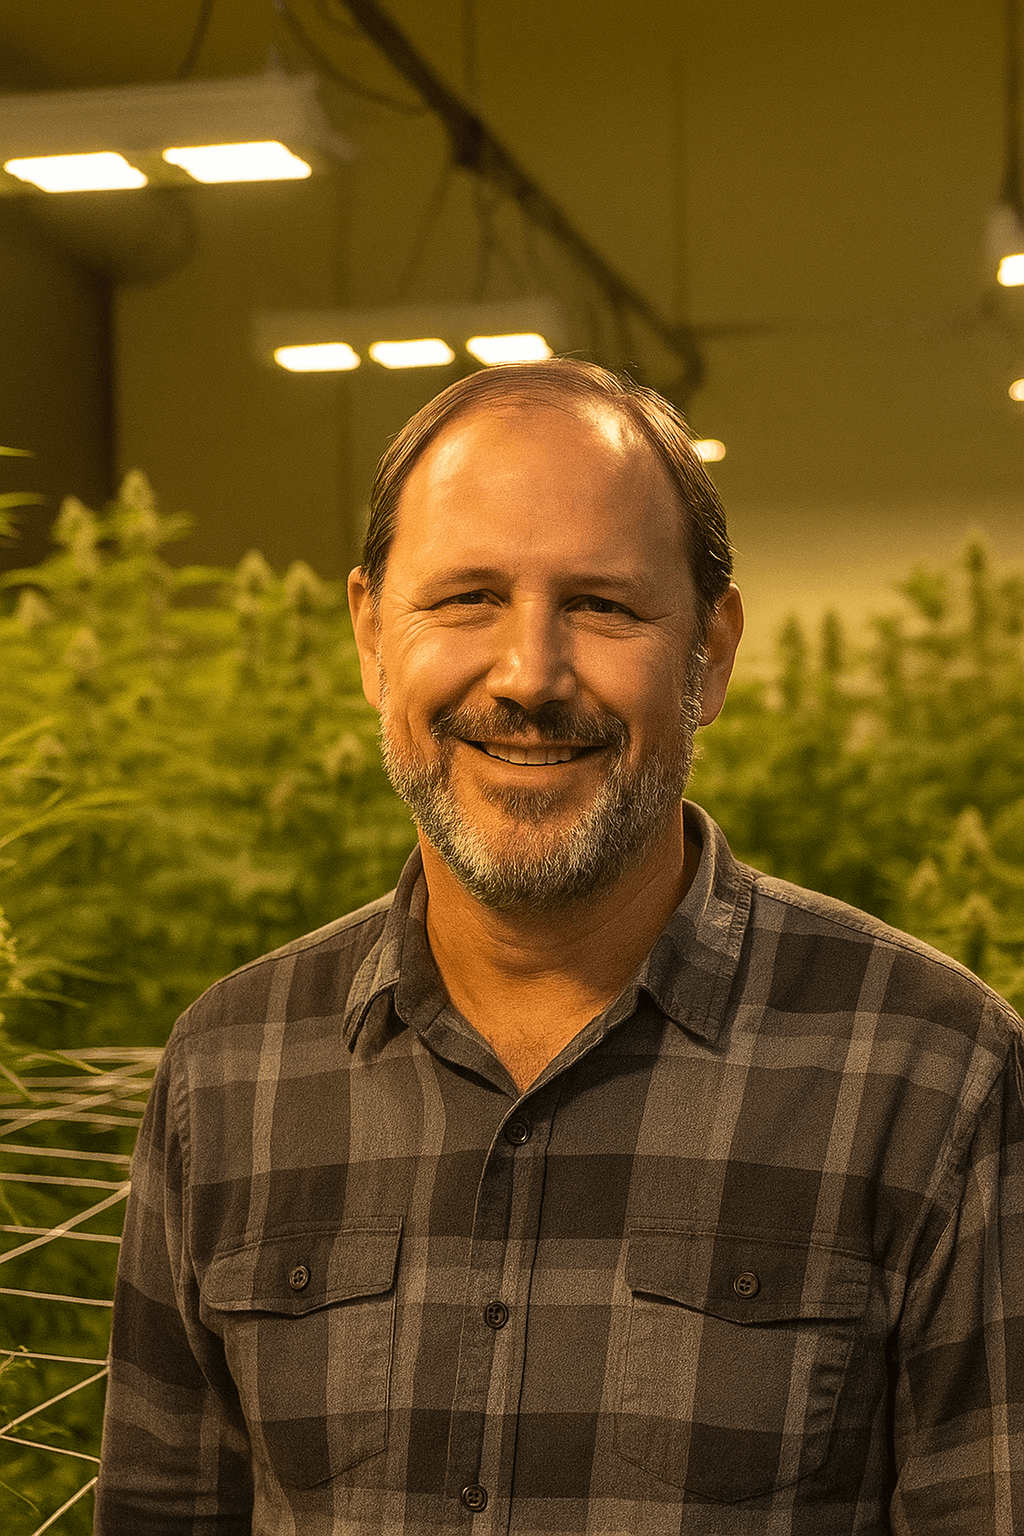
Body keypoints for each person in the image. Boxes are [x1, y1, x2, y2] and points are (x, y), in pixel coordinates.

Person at [95, 359, 1024, 1535]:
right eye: (466, 598)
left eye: (602, 604)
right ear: (371, 637)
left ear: (712, 650)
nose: (530, 674)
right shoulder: (230, 1072)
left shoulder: (930, 1074)